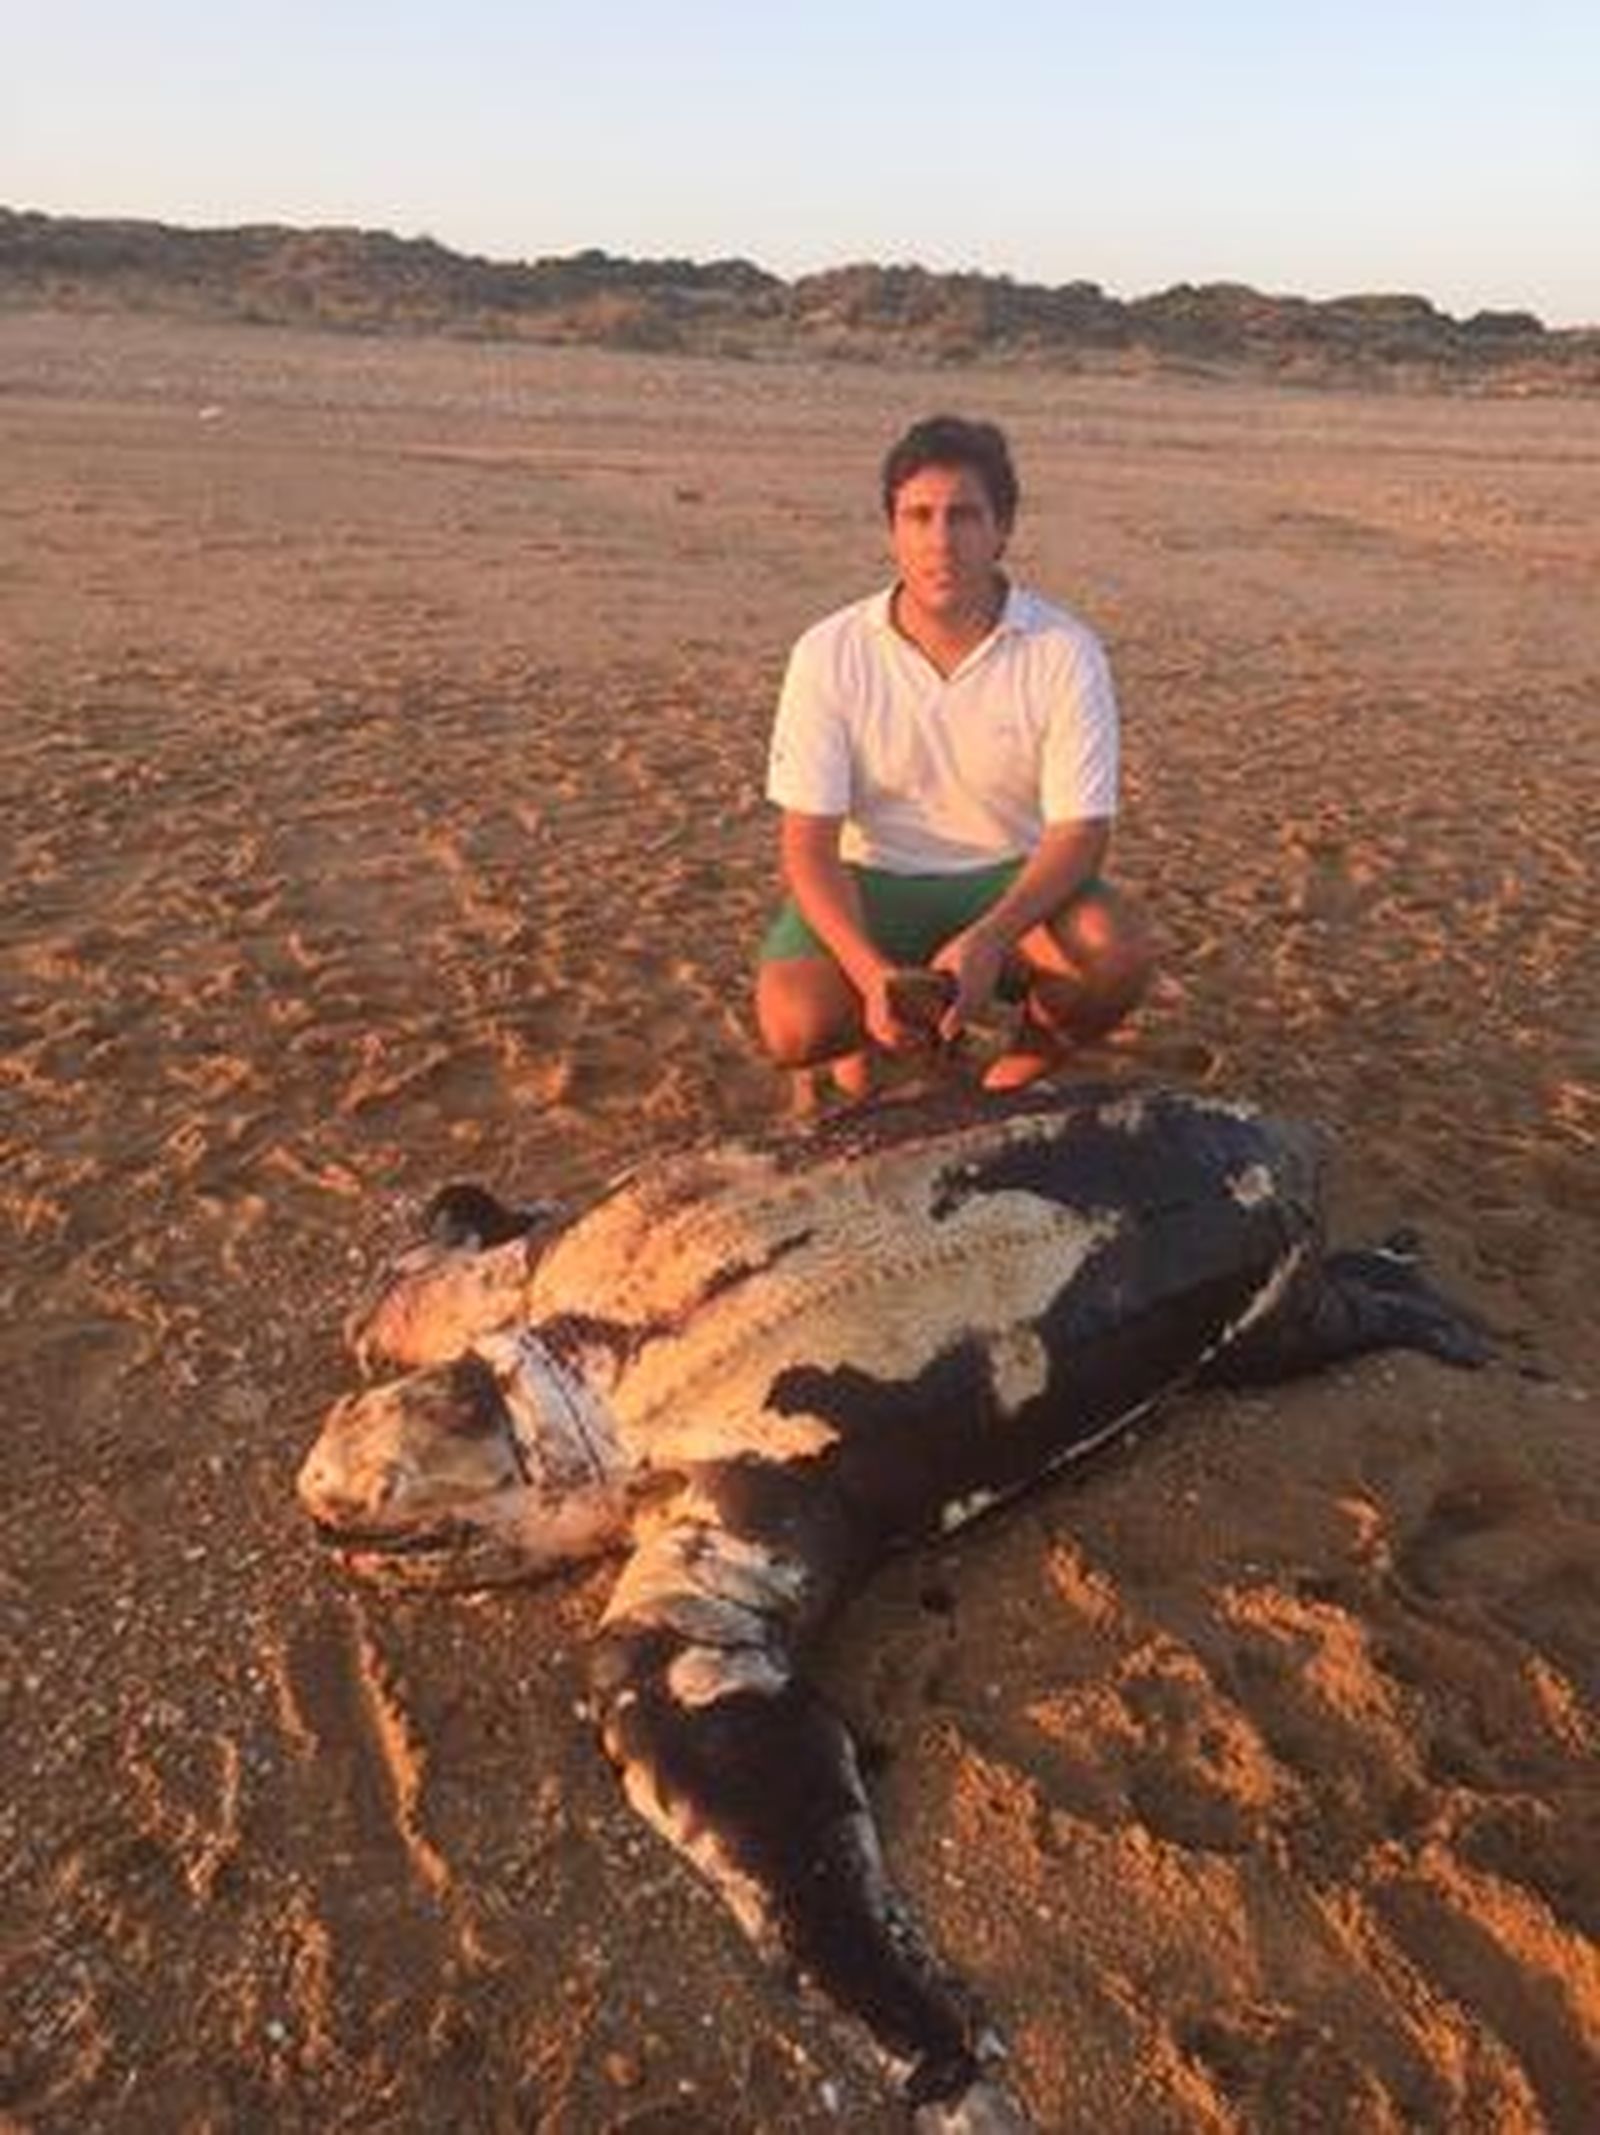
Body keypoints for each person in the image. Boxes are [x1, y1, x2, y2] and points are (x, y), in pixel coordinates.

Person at [755, 413, 1153, 1095]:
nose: (941, 541)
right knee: (796, 1025)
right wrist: (869, 972)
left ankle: (1006, 1084)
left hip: (1007, 880)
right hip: (873, 877)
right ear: (892, 531)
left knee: (1114, 953)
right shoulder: (829, 650)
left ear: (1002, 531)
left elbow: (1081, 834)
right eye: (919, 516)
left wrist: (992, 936)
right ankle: (863, 1045)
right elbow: (807, 845)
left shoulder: (1063, 649)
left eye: (965, 516)